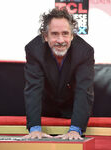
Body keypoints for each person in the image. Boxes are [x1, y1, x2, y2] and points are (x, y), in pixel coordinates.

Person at [24, 8, 94, 140]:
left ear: (72, 35)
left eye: (65, 33)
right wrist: (35, 128)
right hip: (45, 110)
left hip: (72, 110)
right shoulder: (33, 49)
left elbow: (84, 90)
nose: (60, 40)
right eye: (55, 34)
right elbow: (33, 88)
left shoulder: (85, 51)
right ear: (45, 36)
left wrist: (75, 129)